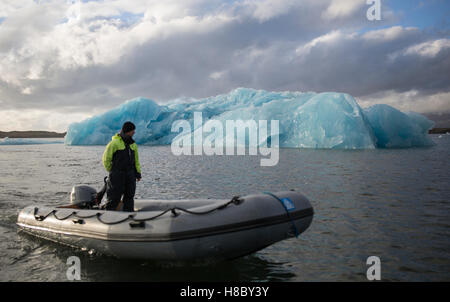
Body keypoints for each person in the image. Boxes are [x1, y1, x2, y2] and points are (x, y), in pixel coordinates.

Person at [102, 121, 142, 211]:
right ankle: (109, 215)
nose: (134, 132)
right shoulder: (114, 143)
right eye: (133, 130)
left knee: (129, 196)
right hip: (117, 175)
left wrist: (138, 173)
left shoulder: (133, 145)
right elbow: (106, 159)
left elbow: (136, 161)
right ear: (128, 131)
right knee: (114, 196)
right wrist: (112, 171)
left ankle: (128, 214)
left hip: (130, 175)